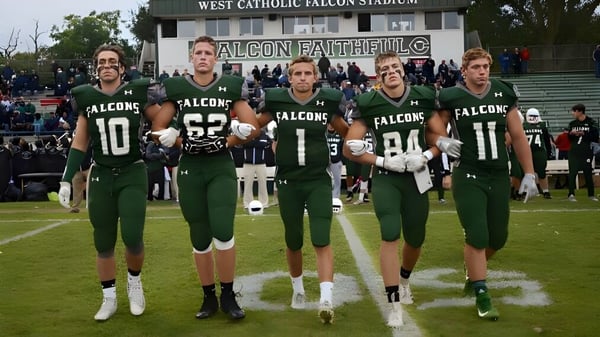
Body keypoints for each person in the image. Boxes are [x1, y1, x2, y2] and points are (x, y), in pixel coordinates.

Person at [150, 35, 260, 320]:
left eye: (207, 53)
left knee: (223, 230)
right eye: (197, 52)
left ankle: (228, 294)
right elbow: (157, 128)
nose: (202, 57)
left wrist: (228, 141)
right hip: (190, 167)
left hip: (220, 164)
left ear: (215, 58)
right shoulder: (177, 87)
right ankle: (208, 296)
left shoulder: (230, 85)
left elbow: (253, 128)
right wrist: (177, 141)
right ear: (191, 57)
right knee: (199, 236)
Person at [427, 47, 538, 321]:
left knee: (497, 238)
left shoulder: (503, 92)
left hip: (499, 174)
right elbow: (432, 130)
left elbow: (518, 135)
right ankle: (481, 292)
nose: (481, 71)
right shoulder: (451, 96)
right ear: (464, 71)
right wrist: (441, 140)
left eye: (485, 67)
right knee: (476, 234)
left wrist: (530, 173)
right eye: (475, 67)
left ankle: (472, 271)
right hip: (468, 173)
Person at [57, 44, 161, 321]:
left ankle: (135, 284)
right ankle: (109, 298)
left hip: (132, 171)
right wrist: (67, 179)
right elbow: (80, 142)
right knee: (103, 240)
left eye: (112, 61)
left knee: (132, 235)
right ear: (96, 67)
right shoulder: (86, 97)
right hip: (101, 174)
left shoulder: (137, 91)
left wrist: (169, 129)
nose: (106, 65)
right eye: (101, 61)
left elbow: (160, 118)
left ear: (122, 67)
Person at [343, 50, 439, 327]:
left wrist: (427, 156)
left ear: (403, 69)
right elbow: (349, 148)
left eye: (395, 66)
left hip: (417, 176)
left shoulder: (422, 96)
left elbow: (443, 140)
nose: (391, 71)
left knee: (416, 237)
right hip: (387, 176)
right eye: (384, 68)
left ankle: (405, 279)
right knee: (389, 233)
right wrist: (382, 160)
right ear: (378, 74)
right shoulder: (368, 102)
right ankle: (393, 300)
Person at [256, 54, 349, 324]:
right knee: (293, 239)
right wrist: (240, 128)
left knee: (321, 236)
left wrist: (357, 142)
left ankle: (326, 296)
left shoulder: (327, 101)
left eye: (307, 73)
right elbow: (255, 126)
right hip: (288, 180)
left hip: (317, 179)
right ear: (289, 76)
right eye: (297, 74)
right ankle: (297, 290)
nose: (303, 78)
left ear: (315, 76)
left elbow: (346, 131)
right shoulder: (277, 99)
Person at [566, 103, 599, 202]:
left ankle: (591, 195)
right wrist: (571, 134)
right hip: (574, 151)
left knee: (588, 173)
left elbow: (595, 137)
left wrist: (583, 134)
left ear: (580, 112)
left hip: (586, 151)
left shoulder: (591, 122)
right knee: (572, 173)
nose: (572, 113)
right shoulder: (572, 124)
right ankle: (571, 194)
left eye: (574, 111)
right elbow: (569, 138)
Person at [523, 108, 553, 198]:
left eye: (534, 116)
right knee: (526, 172)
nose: (533, 118)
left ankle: (545, 191)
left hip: (539, 151)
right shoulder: (523, 125)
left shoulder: (542, 125)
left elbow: (547, 140)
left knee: (541, 172)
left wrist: (549, 152)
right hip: (527, 151)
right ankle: (526, 191)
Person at [241, 125, 272, 208]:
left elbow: (264, 144)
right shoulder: (246, 134)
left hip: (261, 163)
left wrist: (252, 142)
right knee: (247, 184)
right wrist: (256, 142)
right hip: (248, 163)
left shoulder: (263, 135)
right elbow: (244, 144)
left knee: (263, 184)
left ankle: (264, 203)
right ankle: (247, 204)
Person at [326, 122, 344, 198]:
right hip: (325, 162)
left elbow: (342, 148)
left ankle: (335, 198)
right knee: (325, 181)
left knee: (337, 181)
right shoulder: (324, 134)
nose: (331, 125)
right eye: (329, 124)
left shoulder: (339, 135)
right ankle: (325, 197)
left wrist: (341, 160)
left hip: (336, 161)